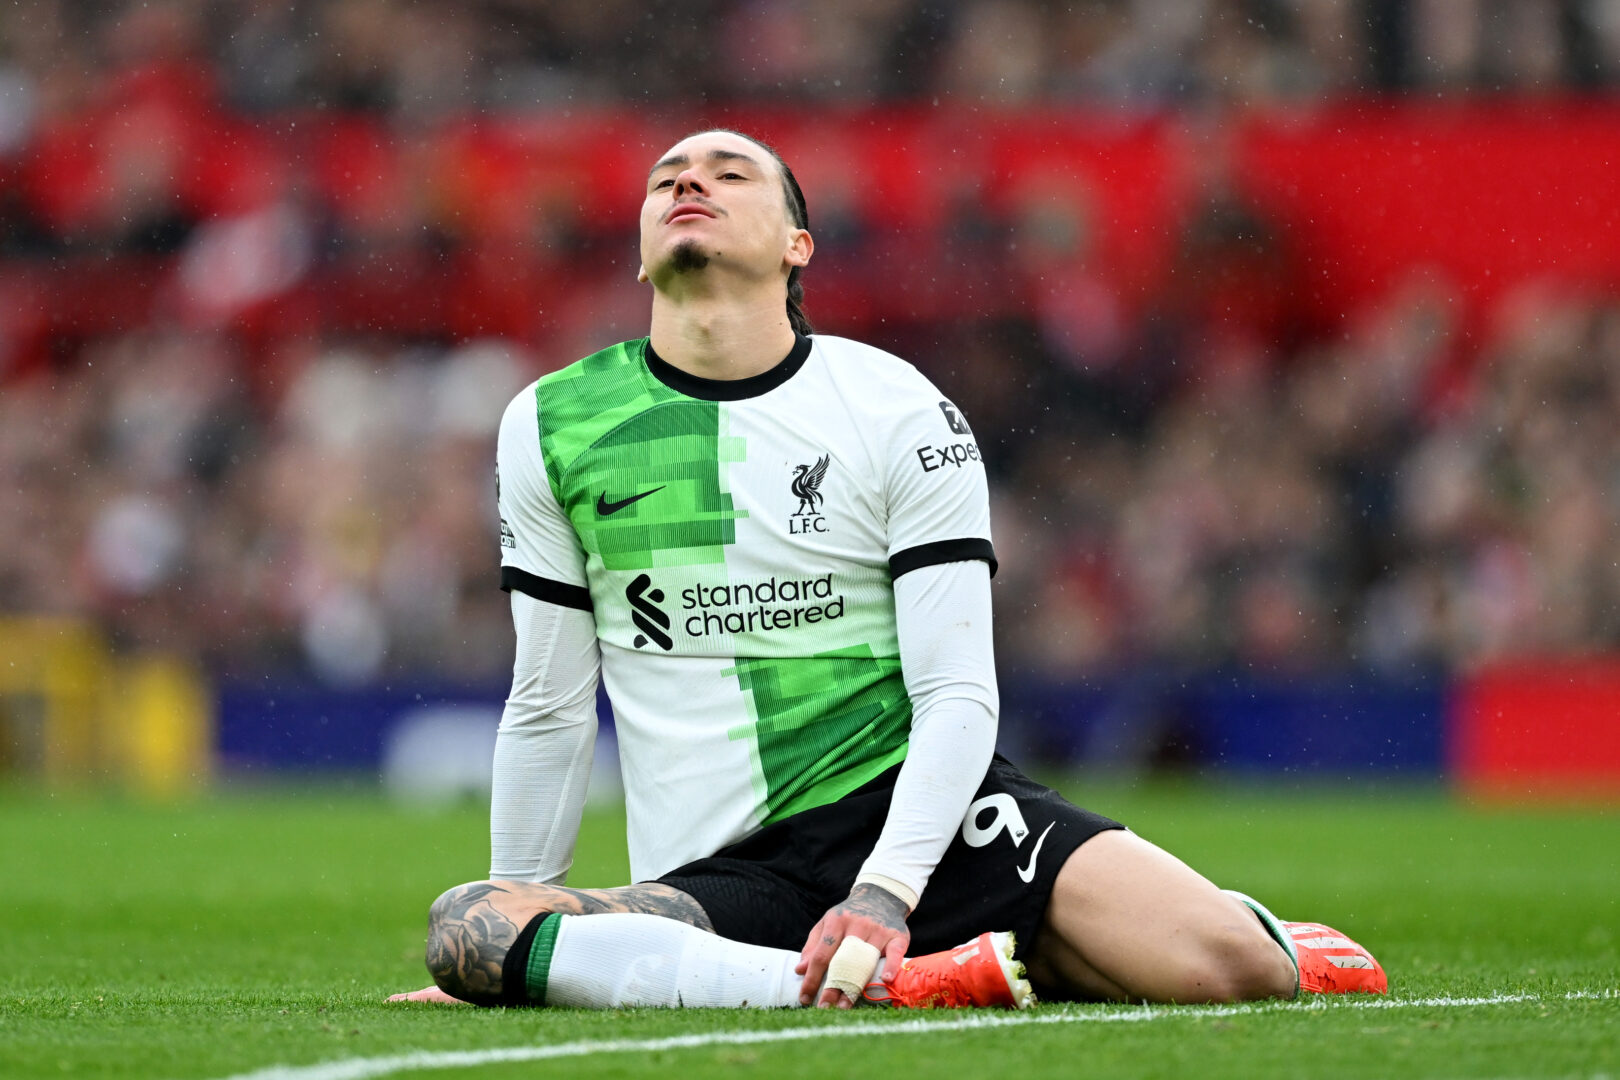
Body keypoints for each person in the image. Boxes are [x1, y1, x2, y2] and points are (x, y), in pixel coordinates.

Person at [391, 128, 1386, 1010]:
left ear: (798, 244)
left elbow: (958, 691)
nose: (689, 183)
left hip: (921, 816)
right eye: (666, 179)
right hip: (723, 873)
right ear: (643, 250)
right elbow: (551, 704)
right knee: (466, 927)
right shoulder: (552, 423)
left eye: (730, 173)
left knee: (1234, 969)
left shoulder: (896, 407)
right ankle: (901, 983)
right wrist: (513, 933)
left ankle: (1228, 928)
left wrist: (883, 890)